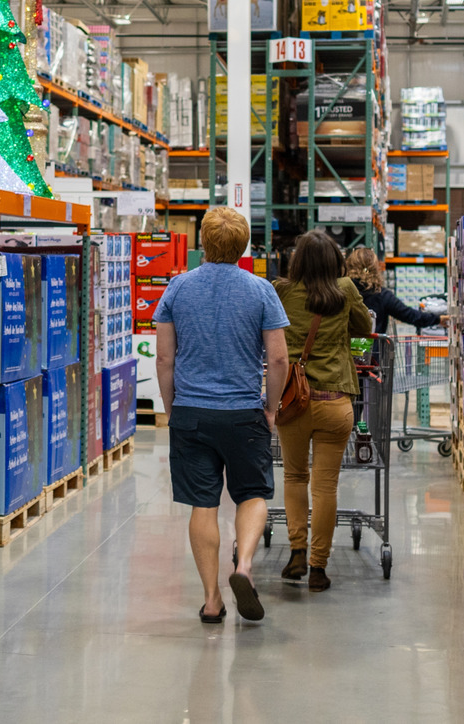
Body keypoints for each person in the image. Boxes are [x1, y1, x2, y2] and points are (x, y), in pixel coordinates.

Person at [155, 208, 289, 623]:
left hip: (192, 412)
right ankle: (244, 565)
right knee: (252, 494)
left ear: (203, 243)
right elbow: (279, 358)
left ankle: (212, 600)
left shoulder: (177, 288)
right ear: (244, 244)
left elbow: (164, 357)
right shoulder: (261, 289)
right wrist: (270, 408)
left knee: (203, 504)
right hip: (243, 411)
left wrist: (171, 407)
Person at [274, 232, 374, 592]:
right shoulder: (345, 289)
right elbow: (365, 328)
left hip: (294, 402)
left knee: (294, 477)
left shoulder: (281, 291)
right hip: (336, 403)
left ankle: (297, 550)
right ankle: (319, 567)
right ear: (335, 260)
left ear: (296, 260)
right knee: (325, 485)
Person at [346, 247, 446, 331]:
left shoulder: (342, 291)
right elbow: (410, 315)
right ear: (375, 269)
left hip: (345, 350)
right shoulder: (381, 295)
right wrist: (437, 319)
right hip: (372, 351)